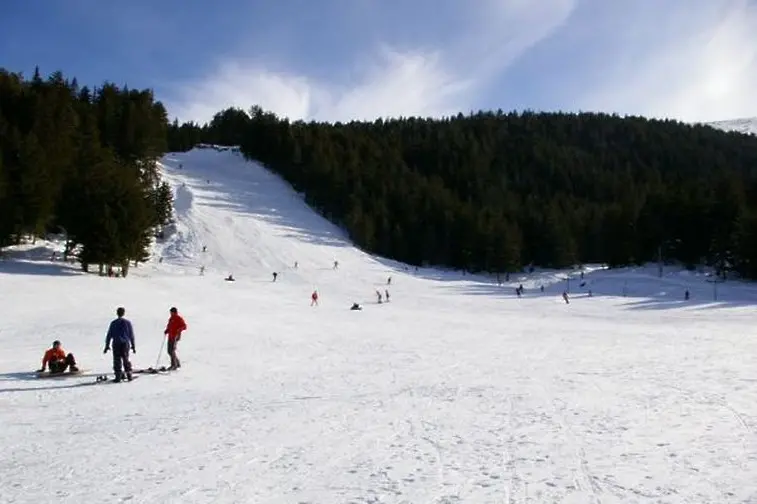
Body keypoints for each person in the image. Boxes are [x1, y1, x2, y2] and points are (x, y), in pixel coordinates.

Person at [104, 307, 135, 382]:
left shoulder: (113, 323)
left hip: (116, 343)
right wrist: (133, 346)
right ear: (123, 313)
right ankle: (129, 375)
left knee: (117, 360)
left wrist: (107, 346)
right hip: (125, 344)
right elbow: (131, 335)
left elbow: (109, 335)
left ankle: (118, 376)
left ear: (117, 313)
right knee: (126, 359)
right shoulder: (128, 323)